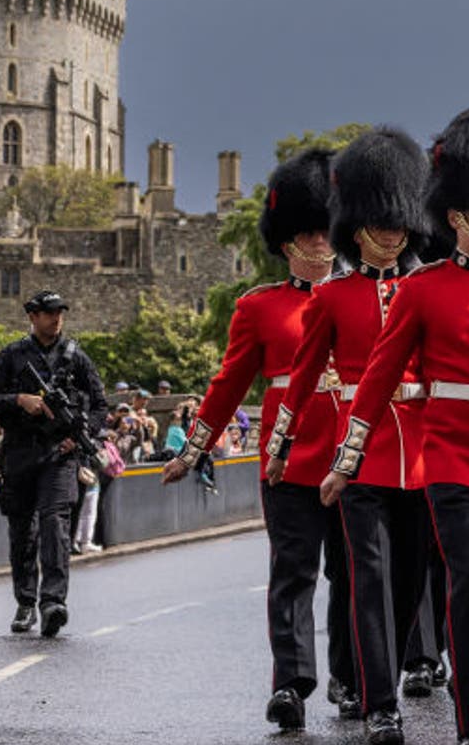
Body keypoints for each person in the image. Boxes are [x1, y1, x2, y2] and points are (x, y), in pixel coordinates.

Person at [324, 107, 469, 745]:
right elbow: (376, 377)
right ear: (453, 215)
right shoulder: (423, 289)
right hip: (451, 453)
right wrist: (349, 455)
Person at [165, 149, 356, 729]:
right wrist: (195, 447)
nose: (320, 242)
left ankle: (351, 678)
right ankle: (291, 686)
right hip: (289, 458)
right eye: (307, 233)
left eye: (326, 231)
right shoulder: (259, 307)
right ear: (285, 242)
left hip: (350, 455)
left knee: (351, 576)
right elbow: (228, 385)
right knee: (293, 574)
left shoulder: (363, 298)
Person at [279, 128, 434, 745]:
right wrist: (283, 439)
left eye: (398, 221)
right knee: (368, 580)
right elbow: (305, 374)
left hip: (420, 456)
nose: (392, 233)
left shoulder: (424, 288)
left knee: (409, 583)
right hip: (360, 456)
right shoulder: (333, 297)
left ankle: (384, 677)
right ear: (357, 226)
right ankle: (380, 704)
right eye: (380, 221)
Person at [0, 290, 107, 638]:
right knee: (23, 531)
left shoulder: (75, 357)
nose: (56, 318)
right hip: (19, 453)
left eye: (60, 312)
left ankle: (53, 602)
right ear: (33, 316)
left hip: (58, 455)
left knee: (55, 524)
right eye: (49, 312)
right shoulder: (12, 355)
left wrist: (77, 437)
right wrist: (20, 400)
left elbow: (99, 406)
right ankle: (25, 600)